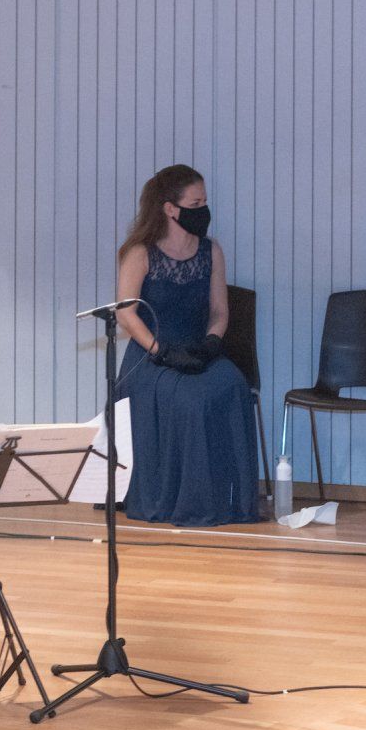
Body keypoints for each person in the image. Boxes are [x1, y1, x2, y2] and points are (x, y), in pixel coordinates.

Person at [112, 164, 259, 526]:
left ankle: (230, 500)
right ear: (170, 209)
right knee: (192, 399)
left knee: (233, 384)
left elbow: (219, 311)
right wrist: (161, 350)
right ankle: (188, 502)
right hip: (150, 357)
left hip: (197, 351)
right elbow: (126, 314)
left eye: (204, 202)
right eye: (195, 203)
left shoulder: (212, 251)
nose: (203, 210)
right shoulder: (140, 252)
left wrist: (211, 343)